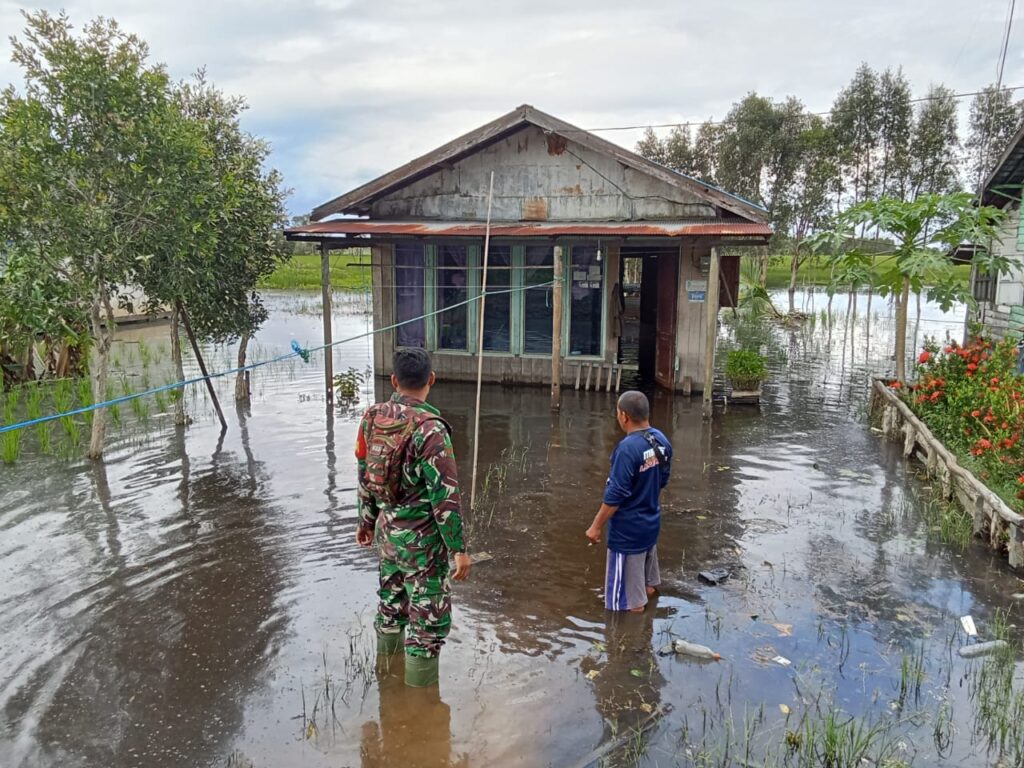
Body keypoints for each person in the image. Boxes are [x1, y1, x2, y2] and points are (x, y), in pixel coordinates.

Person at [356, 348, 471, 687]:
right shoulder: (431, 429)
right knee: (426, 628)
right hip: (423, 549)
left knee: (390, 609)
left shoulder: (372, 417)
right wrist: (459, 549)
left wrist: (366, 521)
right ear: (431, 380)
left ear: (394, 381)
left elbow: (364, 474)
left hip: (388, 539)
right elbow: (445, 496)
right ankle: (421, 715)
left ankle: (386, 690)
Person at [585, 390, 672, 613]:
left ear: (624, 416)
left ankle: (629, 641)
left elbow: (616, 494)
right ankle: (647, 629)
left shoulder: (626, 449)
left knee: (625, 604)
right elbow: (662, 479)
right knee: (648, 586)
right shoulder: (661, 440)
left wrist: (595, 526)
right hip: (650, 524)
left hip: (627, 534)